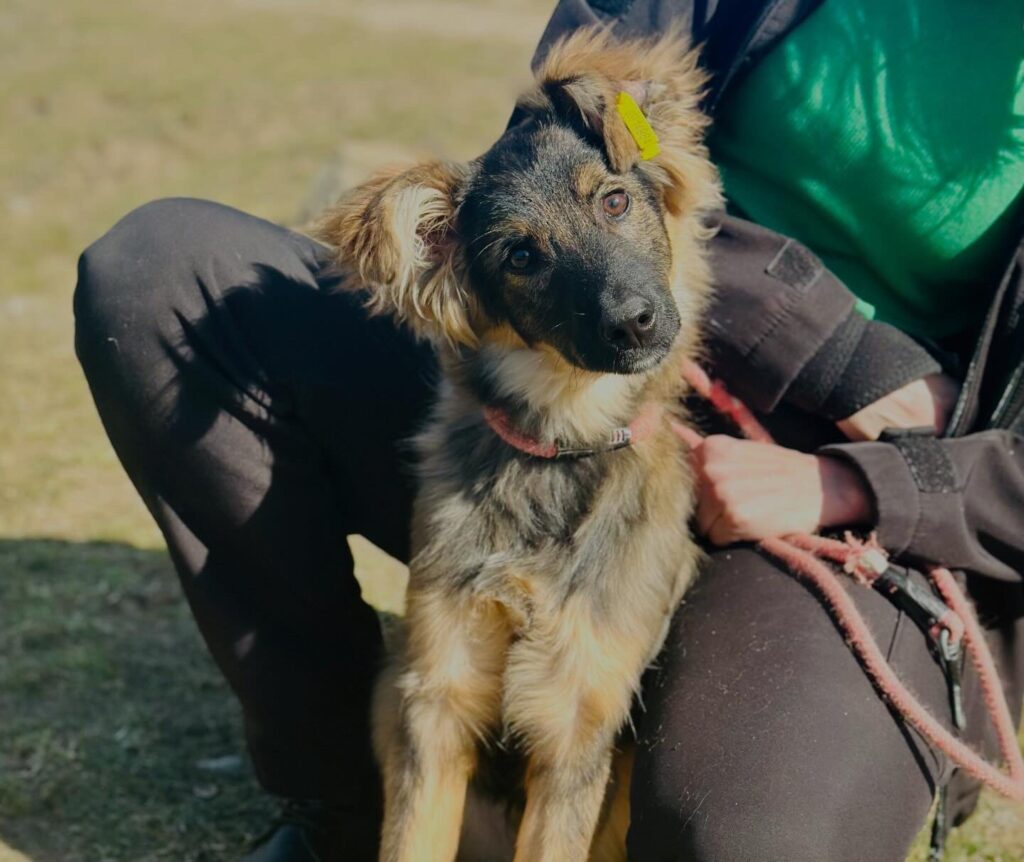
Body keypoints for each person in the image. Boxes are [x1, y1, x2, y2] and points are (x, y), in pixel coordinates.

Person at [73, 1, 1024, 859]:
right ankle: (348, 799)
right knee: (163, 276)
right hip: (556, 372)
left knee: (746, 835)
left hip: (872, 494)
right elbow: (559, 140)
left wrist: (862, 485)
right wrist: (837, 352)